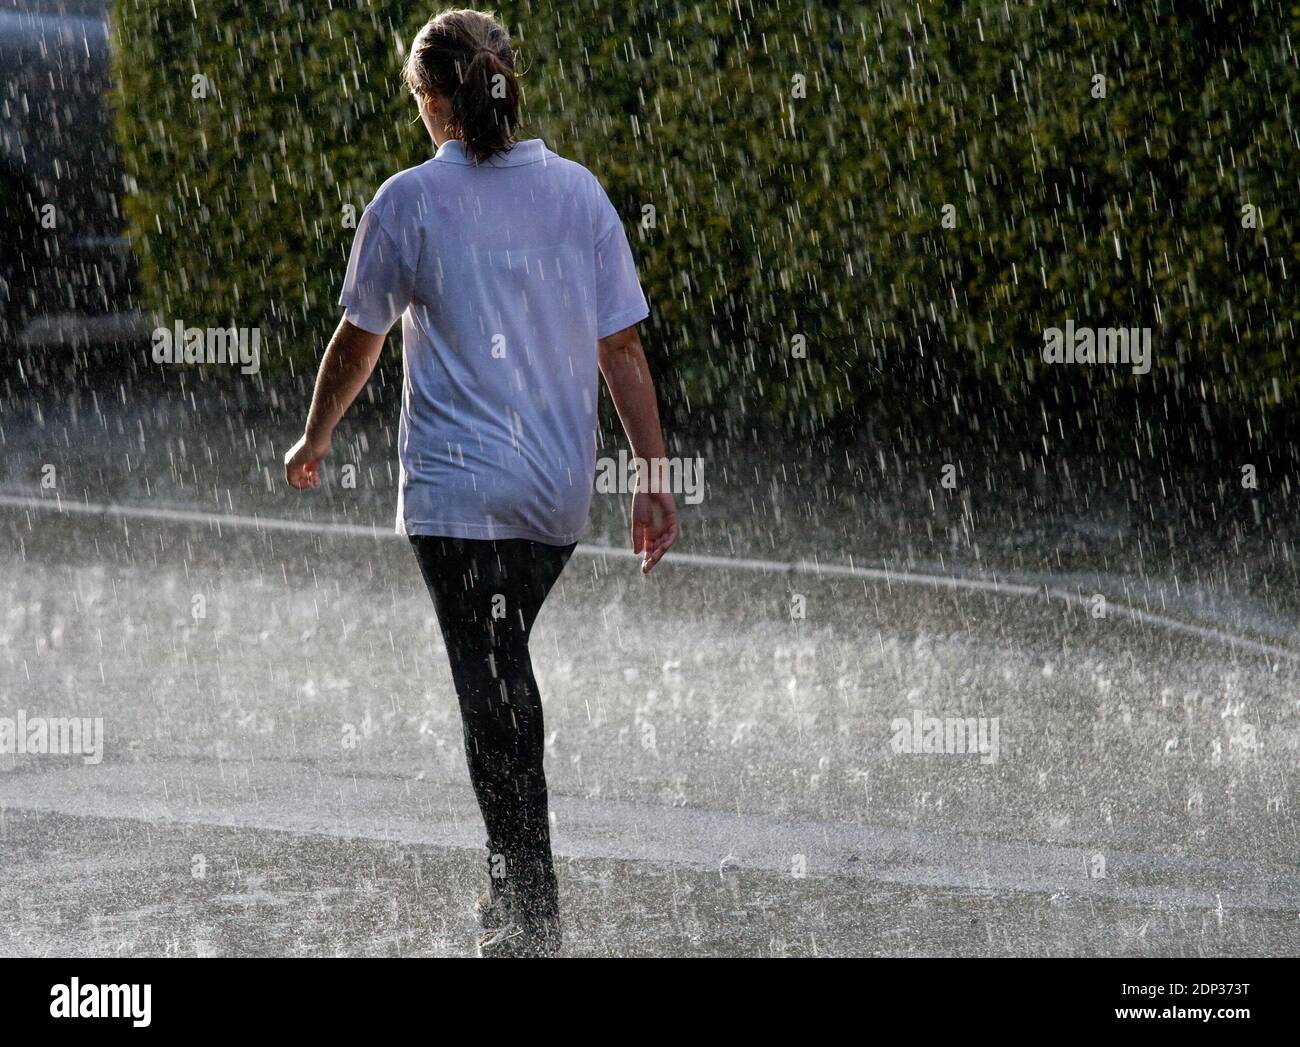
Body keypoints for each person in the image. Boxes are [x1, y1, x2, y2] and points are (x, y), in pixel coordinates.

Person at [283, 8, 678, 957]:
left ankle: (529, 910)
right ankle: (514, 898)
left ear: (433, 99)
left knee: (492, 690)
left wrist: (315, 434)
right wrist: (654, 475)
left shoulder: (409, 201)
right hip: (552, 498)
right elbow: (620, 346)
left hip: (457, 500)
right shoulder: (577, 194)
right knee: (502, 668)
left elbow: (357, 340)